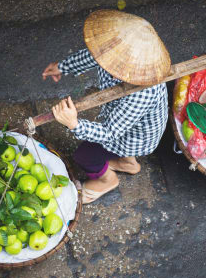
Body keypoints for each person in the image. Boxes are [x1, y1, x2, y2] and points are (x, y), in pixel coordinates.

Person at [42, 10, 170, 204]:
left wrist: (74, 124)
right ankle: (128, 163)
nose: (107, 61)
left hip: (135, 136)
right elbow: (92, 57)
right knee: (110, 144)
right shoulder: (112, 54)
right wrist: (64, 66)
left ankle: (107, 181)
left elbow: (110, 132)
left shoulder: (142, 93)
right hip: (125, 121)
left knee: (84, 156)